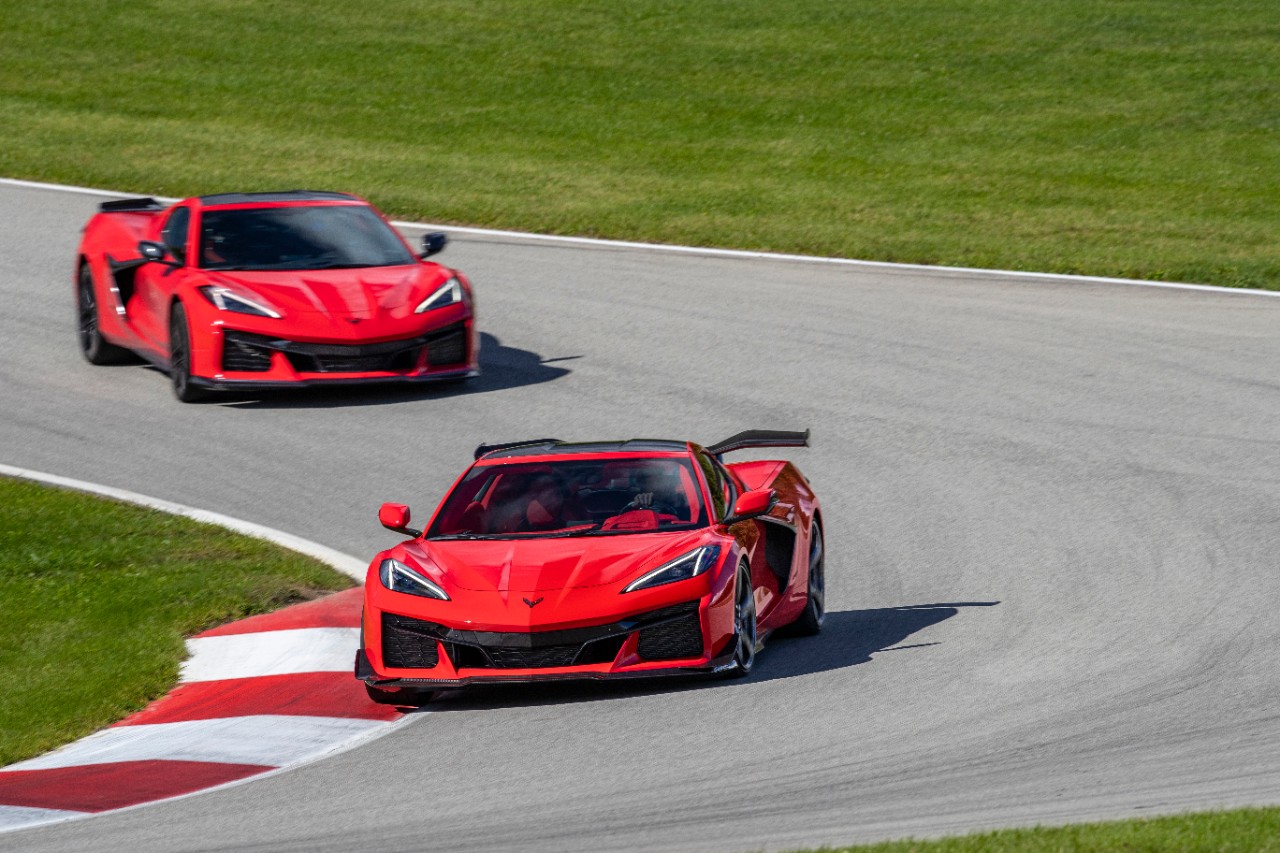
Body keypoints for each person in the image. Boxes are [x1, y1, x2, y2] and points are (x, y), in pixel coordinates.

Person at [622, 465, 687, 520]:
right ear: (642, 484)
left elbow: (687, 520)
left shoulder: (677, 498)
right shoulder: (634, 501)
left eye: (659, 478)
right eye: (648, 481)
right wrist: (634, 506)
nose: (656, 483)